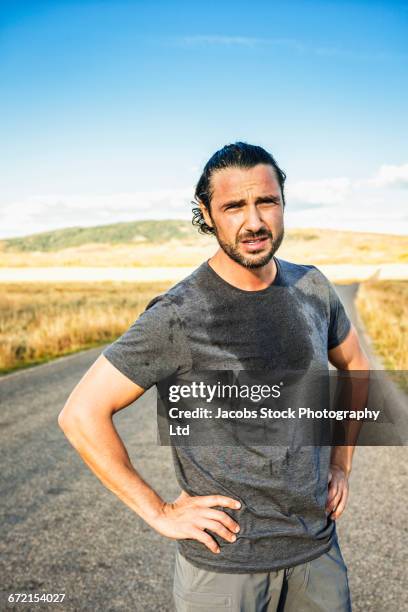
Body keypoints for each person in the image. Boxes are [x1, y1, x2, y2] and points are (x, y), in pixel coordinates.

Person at [58, 142, 369, 611]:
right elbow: (81, 414)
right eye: (233, 207)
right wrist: (159, 511)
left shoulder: (313, 287)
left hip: (317, 552)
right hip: (225, 568)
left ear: (283, 202)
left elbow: (356, 367)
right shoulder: (179, 315)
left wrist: (341, 463)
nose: (254, 222)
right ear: (206, 214)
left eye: (266, 201)